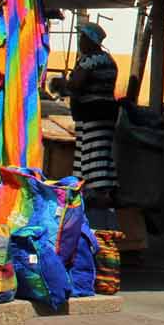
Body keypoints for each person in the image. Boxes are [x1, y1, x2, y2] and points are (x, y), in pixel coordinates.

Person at [51, 21, 119, 207]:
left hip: (93, 115)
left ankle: (97, 196)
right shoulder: (109, 60)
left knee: (92, 155)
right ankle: (92, 191)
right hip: (105, 113)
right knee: (98, 154)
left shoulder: (90, 60)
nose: (80, 41)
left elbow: (76, 85)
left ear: (90, 40)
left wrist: (61, 84)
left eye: (82, 37)